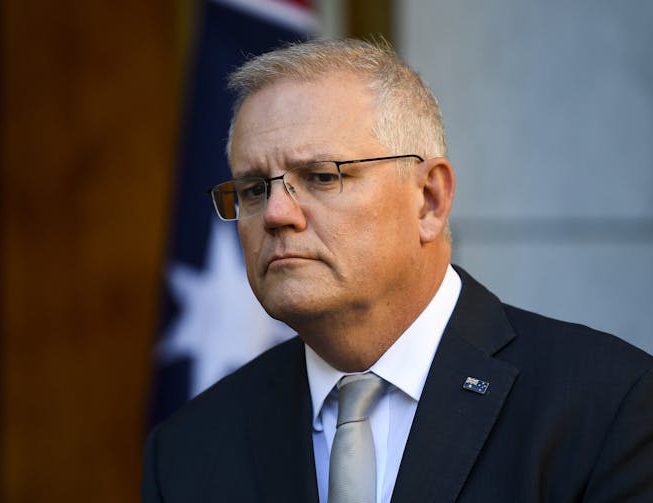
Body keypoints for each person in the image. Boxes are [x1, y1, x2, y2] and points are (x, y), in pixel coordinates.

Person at [142, 39, 653, 503]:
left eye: (321, 177)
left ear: (429, 200)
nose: (276, 213)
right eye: (254, 189)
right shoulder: (189, 449)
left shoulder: (607, 404)